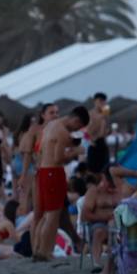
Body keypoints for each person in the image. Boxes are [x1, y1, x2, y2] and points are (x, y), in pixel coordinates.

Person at [31, 106, 88, 262]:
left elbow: (41, 151)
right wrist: (75, 152)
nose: (76, 130)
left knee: (44, 215)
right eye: (79, 126)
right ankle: (45, 252)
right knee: (52, 215)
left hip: (43, 172)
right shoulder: (63, 132)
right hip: (53, 173)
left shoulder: (50, 125)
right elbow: (58, 159)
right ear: (76, 120)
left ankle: (37, 249)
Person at [80, 170, 120, 273]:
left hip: (117, 223)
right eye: (109, 182)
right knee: (99, 232)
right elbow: (85, 215)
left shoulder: (119, 190)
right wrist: (105, 217)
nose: (112, 185)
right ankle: (96, 263)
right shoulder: (94, 192)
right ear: (103, 179)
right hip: (98, 223)